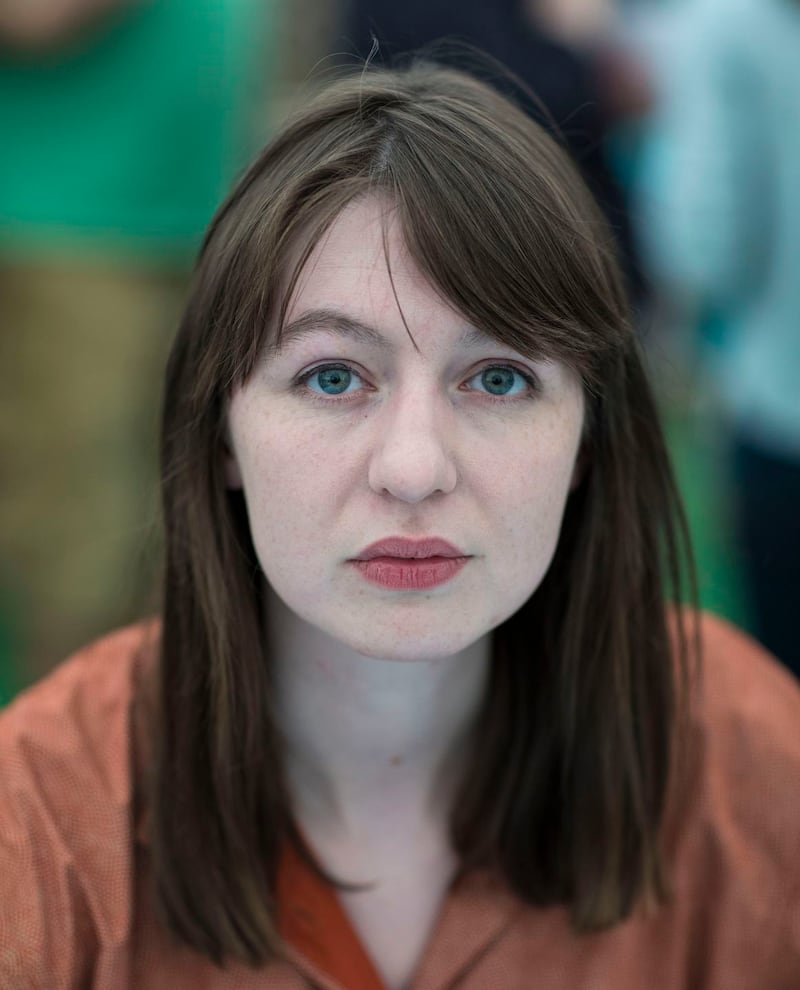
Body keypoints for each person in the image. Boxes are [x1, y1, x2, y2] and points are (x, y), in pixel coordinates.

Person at [1, 62, 799, 989]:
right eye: (332, 377)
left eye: (498, 378)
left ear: (587, 437)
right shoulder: (40, 822)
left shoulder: (744, 753)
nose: (415, 469)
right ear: (221, 432)